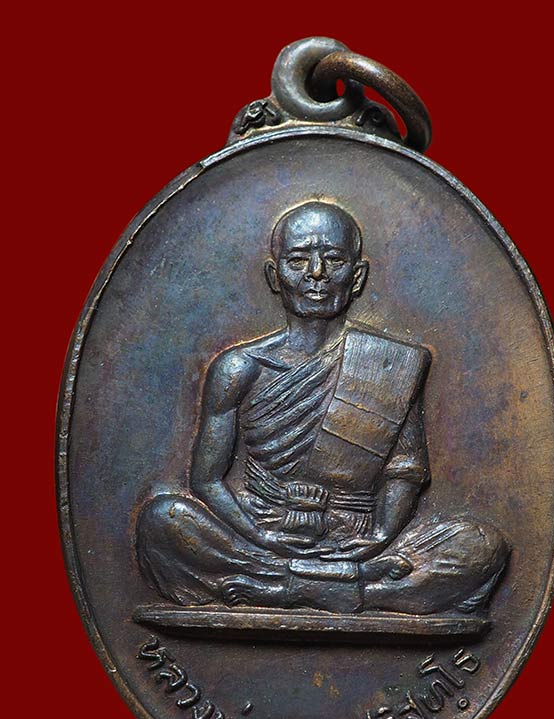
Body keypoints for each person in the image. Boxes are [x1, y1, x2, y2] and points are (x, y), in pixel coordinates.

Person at [136, 201, 509, 614]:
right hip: (261, 531)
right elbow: (206, 480)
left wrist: (381, 536)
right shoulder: (240, 367)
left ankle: (291, 587)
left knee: (481, 545)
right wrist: (261, 536)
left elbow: (406, 470)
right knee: (163, 519)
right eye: (298, 260)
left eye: (334, 259)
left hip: (356, 539)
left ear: (357, 276)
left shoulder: (391, 362)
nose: (316, 273)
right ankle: (350, 589)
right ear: (274, 276)